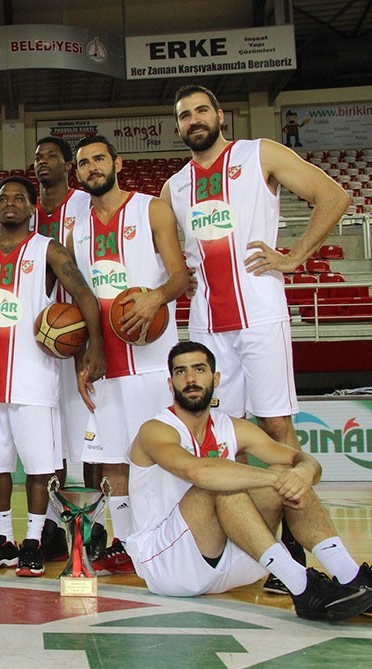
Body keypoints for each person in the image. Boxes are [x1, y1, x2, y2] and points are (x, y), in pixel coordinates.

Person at [162, 85, 351, 593]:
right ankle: (256, 549)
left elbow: (334, 197)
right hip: (207, 324)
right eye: (185, 115)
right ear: (178, 127)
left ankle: (294, 545)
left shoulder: (259, 153)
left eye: (201, 110)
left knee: (276, 427)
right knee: (227, 436)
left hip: (260, 316)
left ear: (220, 116)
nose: (194, 119)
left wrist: (295, 257)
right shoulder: (174, 187)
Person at [124, 341, 372, 621]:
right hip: (169, 565)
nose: (190, 378)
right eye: (181, 372)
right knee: (218, 486)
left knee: (288, 471)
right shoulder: (155, 430)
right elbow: (197, 472)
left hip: (237, 558)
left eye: (199, 369)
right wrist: (278, 478)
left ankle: (352, 578)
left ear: (216, 378)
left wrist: (302, 472)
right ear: (171, 383)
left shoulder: (232, 426)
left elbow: (304, 461)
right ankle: (303, 587)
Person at [0, 176, 104, 576]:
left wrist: (93, 345)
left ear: (32, 208)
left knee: (39, 466)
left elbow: (84, 295)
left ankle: (32, 541)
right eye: (2, 198)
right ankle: (3, 541)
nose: (10, 203)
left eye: (19, 198)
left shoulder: (48, 249)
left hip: (33, 377)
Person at [68, 135, 189, 576]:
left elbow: (180, 276)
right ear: (78, 173)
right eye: (84, 163)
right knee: (114, 460)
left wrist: (156, 297)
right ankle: (127, 543)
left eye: (99, 159)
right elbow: (81, 302)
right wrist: (83, 358)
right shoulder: (76, 230)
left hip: (152, 360)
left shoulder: (151, 209)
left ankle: (173, 539)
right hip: (105, 364)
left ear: (117, 163)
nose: (92, 167)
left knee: (160, 454)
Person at [32, 136, 100, 559]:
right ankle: (55, 526)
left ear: (67, 165)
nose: (43, 163)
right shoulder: (26, 211)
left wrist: (92, 338)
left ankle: (93, 525)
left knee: (91, 440)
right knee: (50, 444)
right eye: (37, 157)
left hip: (78, 333)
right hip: (38, 340)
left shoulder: (84, 203)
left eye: (52, 156)